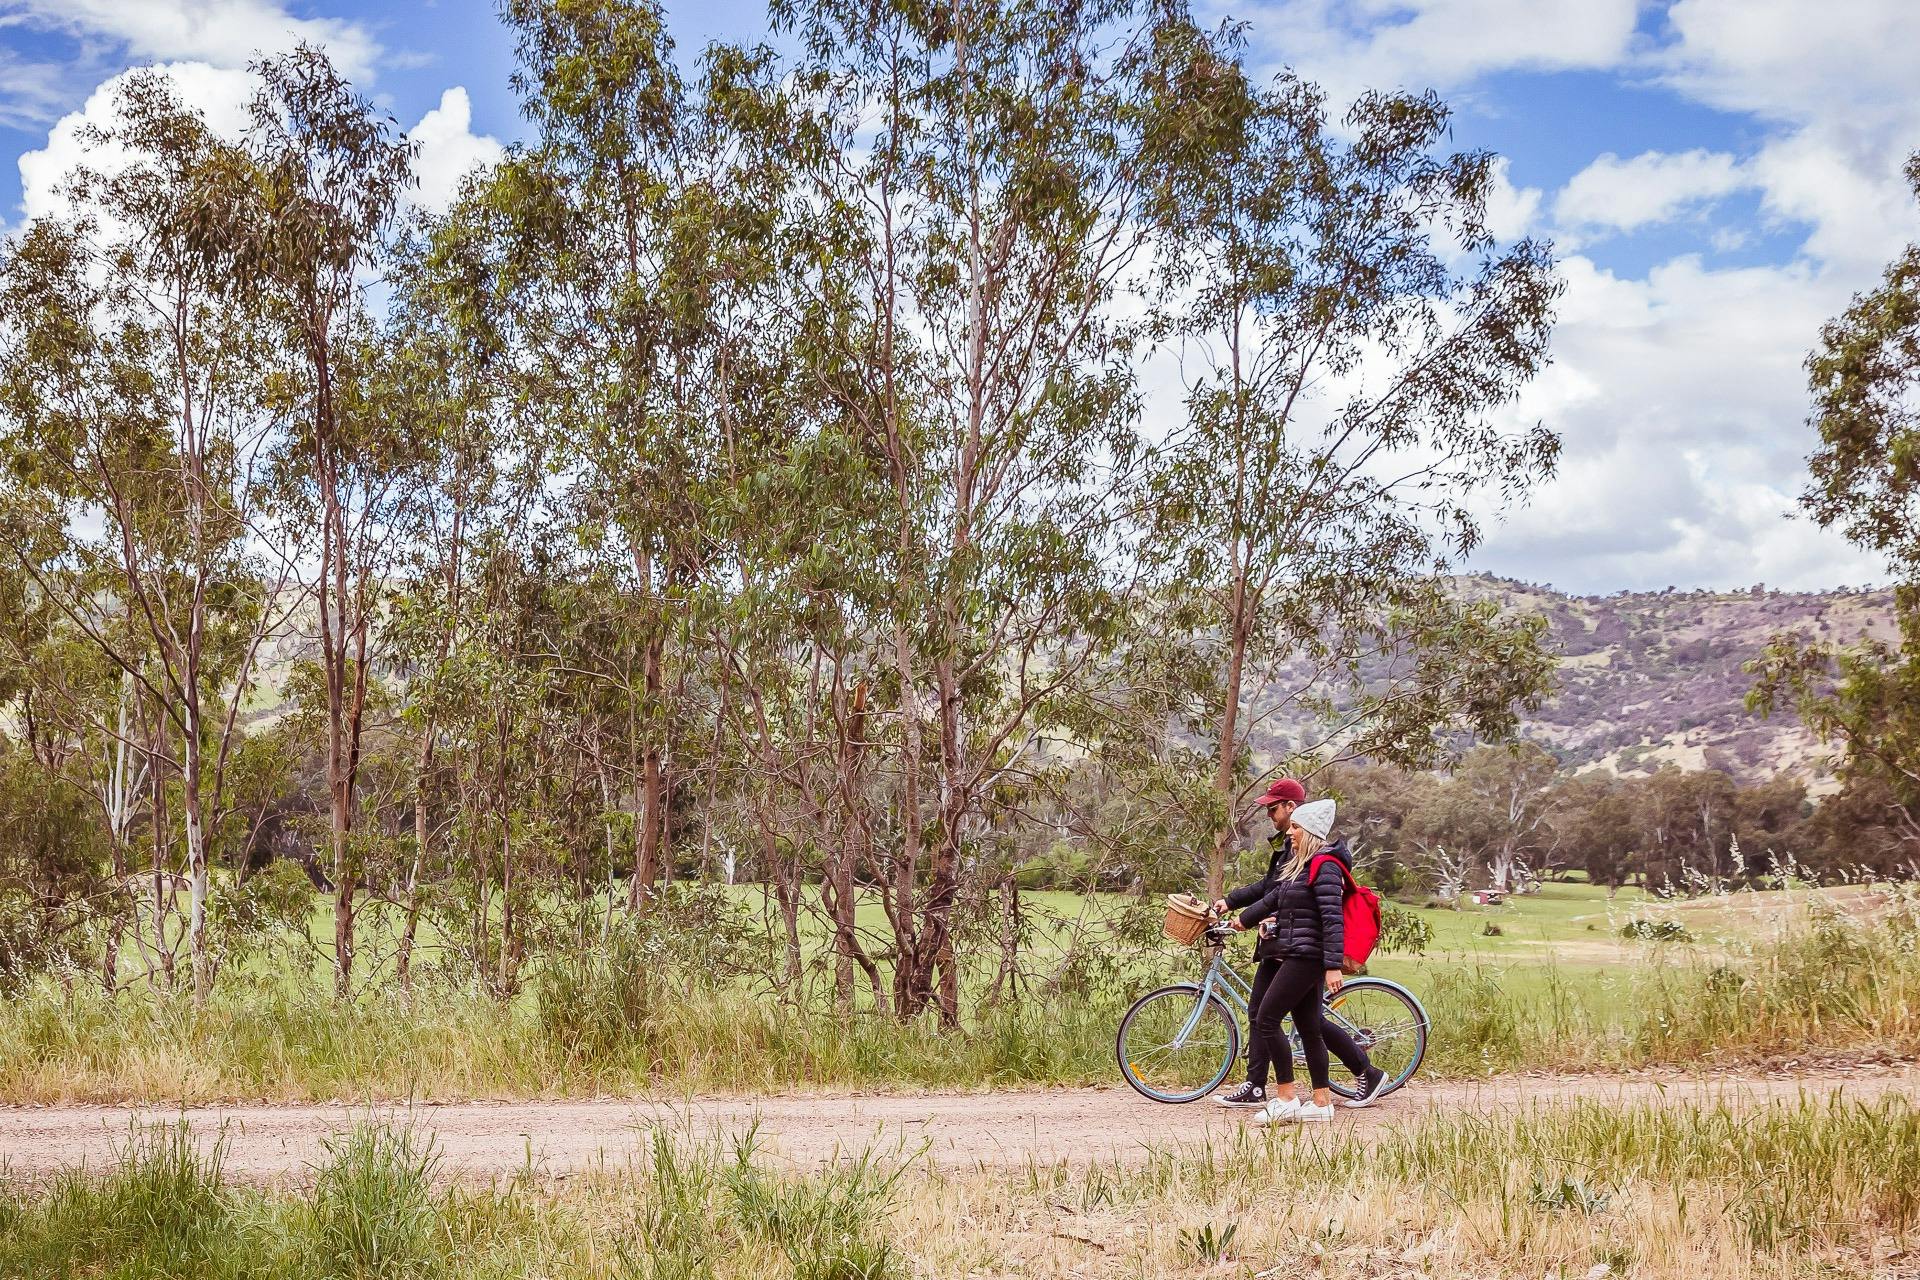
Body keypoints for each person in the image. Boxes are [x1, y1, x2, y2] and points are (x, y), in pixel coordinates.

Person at [1210, 786, 1386, 1116]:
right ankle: (1321, 1103)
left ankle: (1287, 1098)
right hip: (1294, 949)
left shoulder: (1325, 866)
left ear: (1307, 829)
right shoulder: (1299, 864)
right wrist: (1241, 920)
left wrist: (1332, 965)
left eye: (1295, 827)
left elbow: (1333, 919)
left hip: (1307, 955)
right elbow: (1273, 898)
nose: (1289, 831)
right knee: (1308, 1026)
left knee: (1267, 1018)